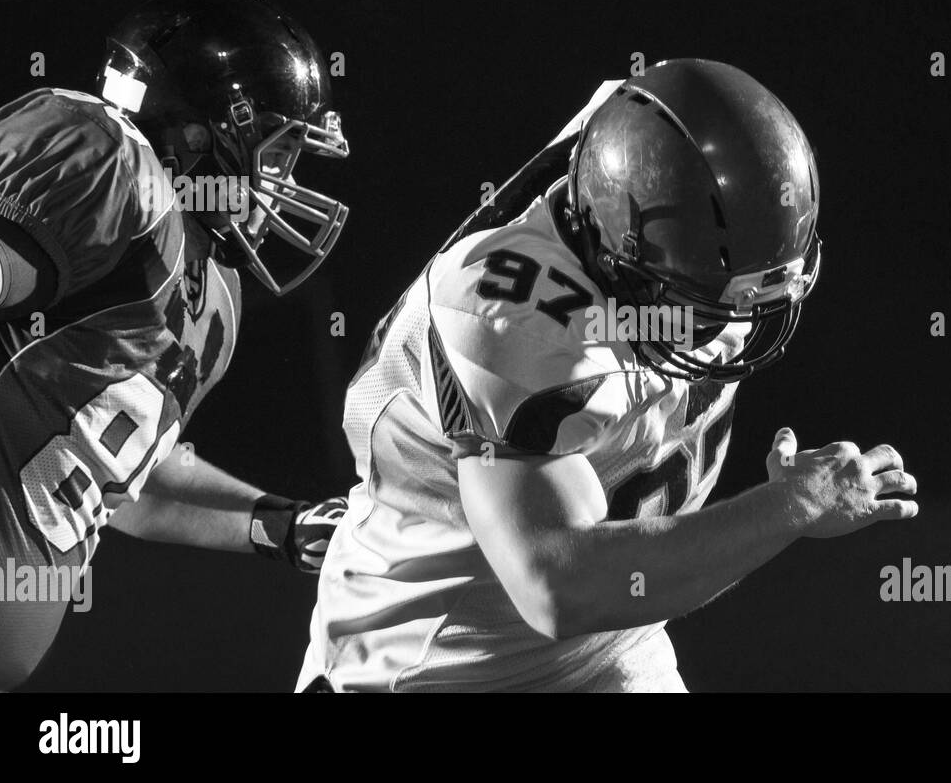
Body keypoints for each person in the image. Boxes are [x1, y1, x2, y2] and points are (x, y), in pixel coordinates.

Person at [299, 59, 918, 692]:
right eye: (698, 306)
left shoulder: (657, 175)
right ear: (617, 262)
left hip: (608, 656)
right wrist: (790, 504)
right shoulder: (513, 321)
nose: (726, 327)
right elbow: (558, 589)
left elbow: (664, 126)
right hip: (433, 670)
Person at [0, 0, 350, 691]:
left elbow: (125, 480)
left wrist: (279, 523)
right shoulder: (109, 160)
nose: (283, 181)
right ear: (200, 133)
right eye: (277, 152)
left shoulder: (213, 298)